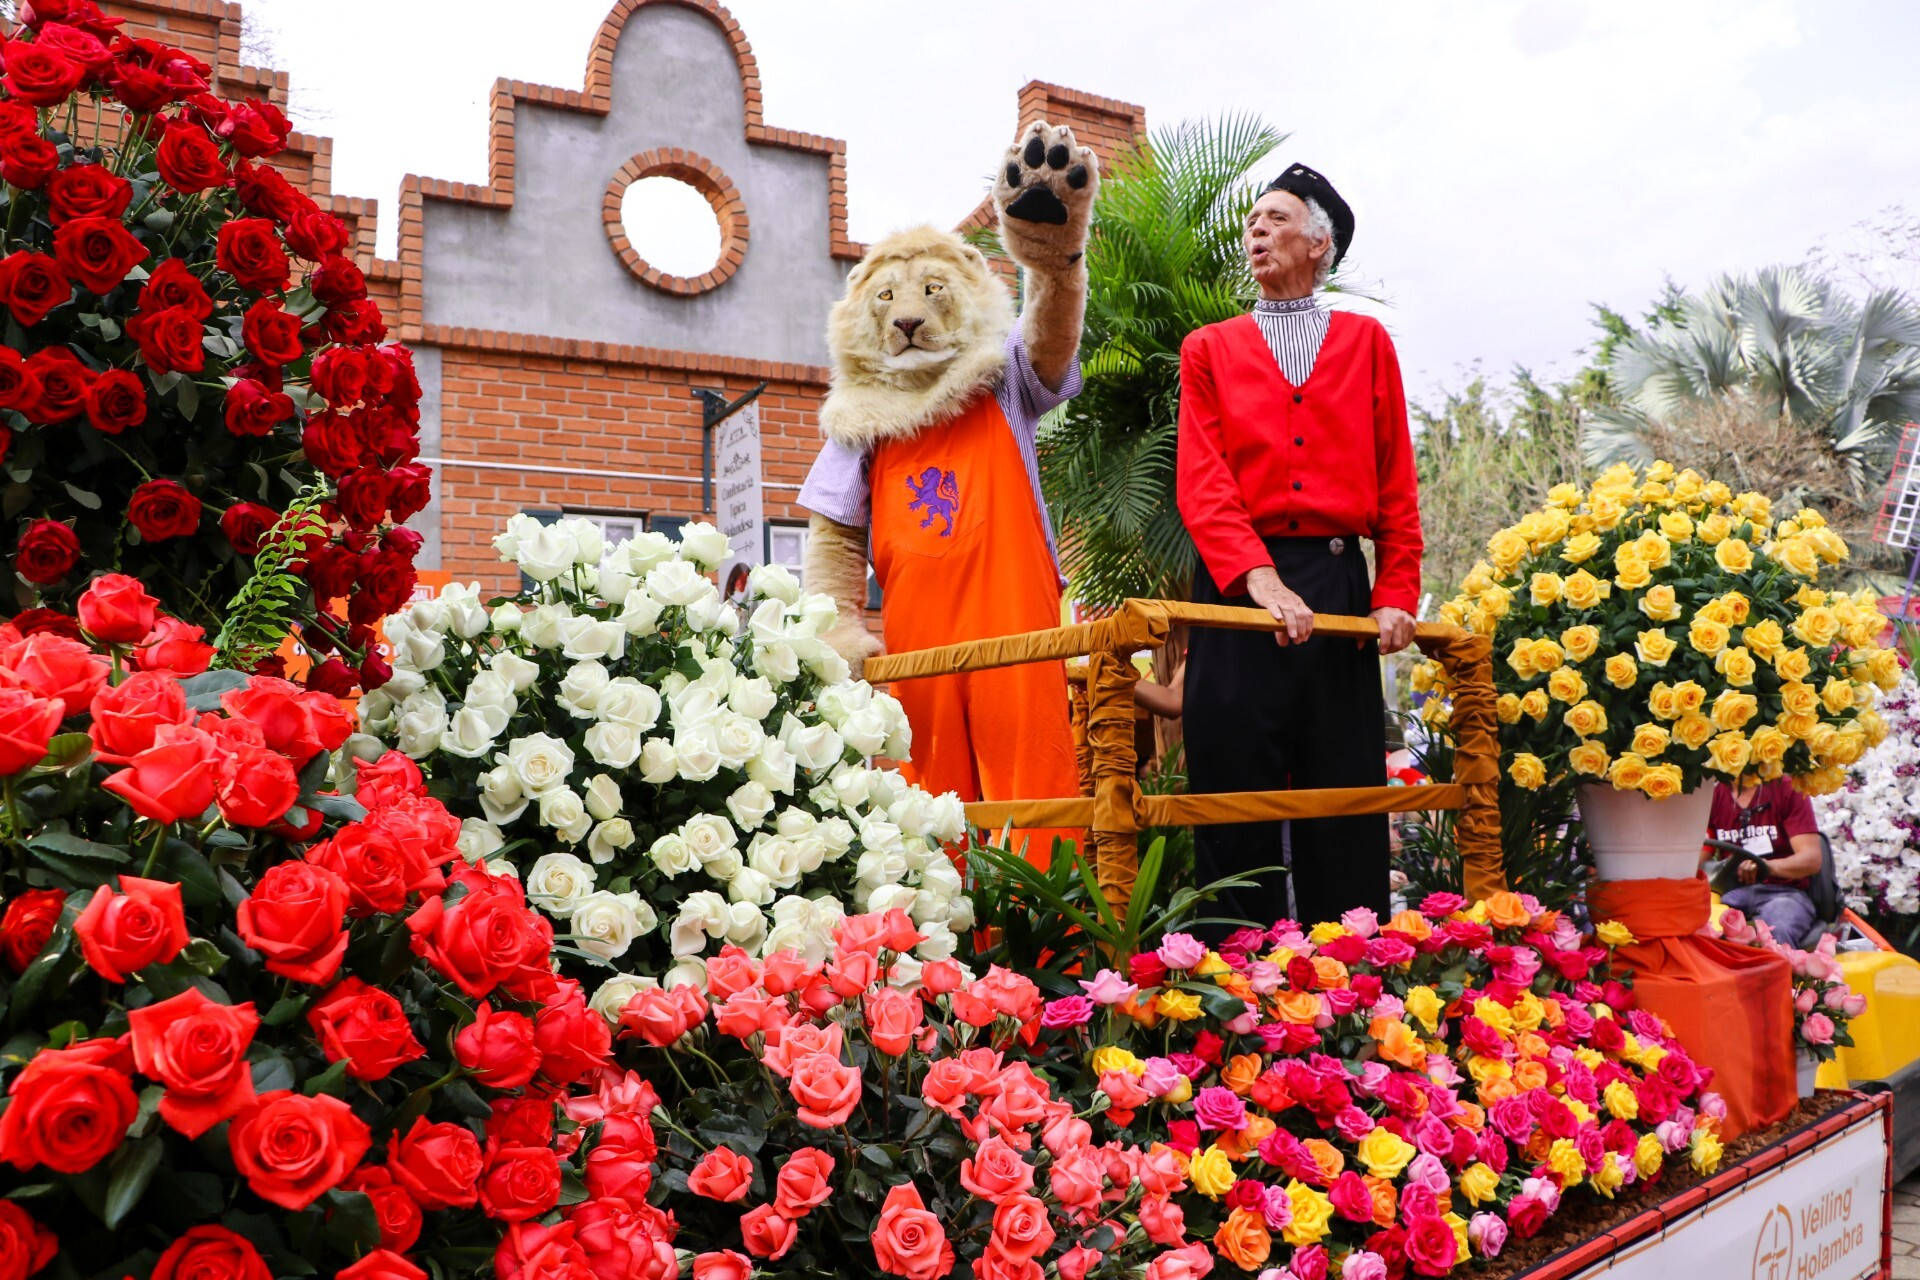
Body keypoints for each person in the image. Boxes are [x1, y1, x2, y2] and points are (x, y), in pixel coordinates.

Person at [1175, 163, 1423, 929]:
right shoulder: (1209, 348)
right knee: (1230, 794)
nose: (1256, 229)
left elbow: (1396, 483)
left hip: (1340, 584)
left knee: (1341, 796)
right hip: (1234, 590)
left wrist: (1395, 596)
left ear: (1321, 243)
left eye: (1276, 217)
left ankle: (1351, 990)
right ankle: (1225, 989)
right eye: (1252, 219)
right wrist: (1257, 577)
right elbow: (1203, 480)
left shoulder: (1366, 340)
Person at [1705, 776, 1824, 944]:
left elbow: (1811, 859)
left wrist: (1766, 867)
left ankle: (1781, 967)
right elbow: (1695, 858)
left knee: (1778, 929)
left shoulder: (1787, 788)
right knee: (1699, 929)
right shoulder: (1711, 796)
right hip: (1730, 895)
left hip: (1784, 893)